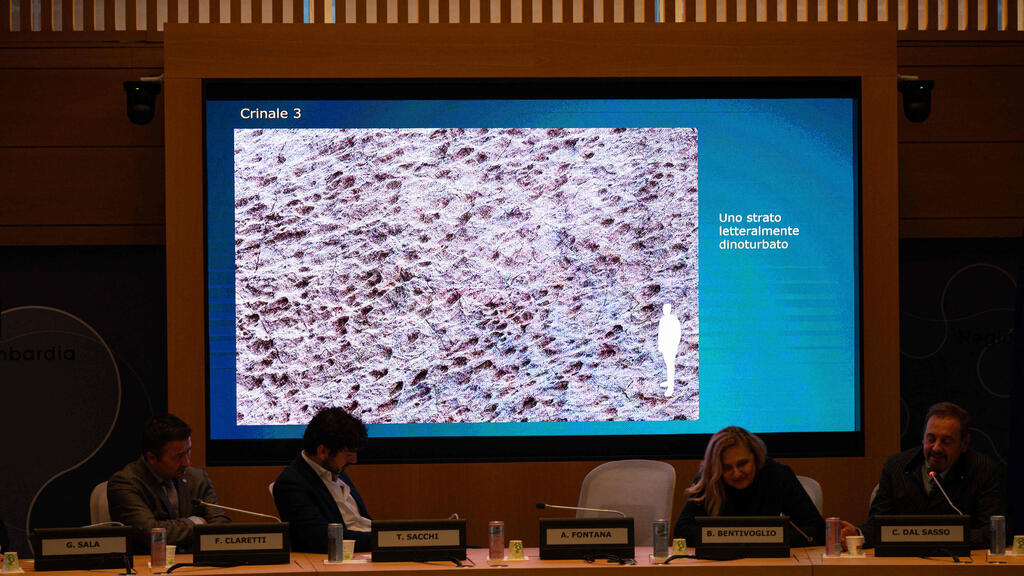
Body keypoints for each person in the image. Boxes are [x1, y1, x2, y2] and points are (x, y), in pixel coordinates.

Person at [842, 402, 1004, 549]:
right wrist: (857, 534)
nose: (936, 448)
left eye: (946, 442)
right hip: (904, 564)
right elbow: (878, 525)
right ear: (923, 438)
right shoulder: (896, 467)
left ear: (964, 443)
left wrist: (936, 538)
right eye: (931, 439)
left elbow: (992, 531)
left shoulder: (982, 470)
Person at [674, 426, 824, 546]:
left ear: (756, 456)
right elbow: (682, 532)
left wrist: (758, 539)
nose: (737, 473)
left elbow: (817, 530)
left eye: (742, 464)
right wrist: (748, 538)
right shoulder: (710, 479)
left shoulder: (778, 474)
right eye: (727, 468)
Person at [107, 414, 229, 550]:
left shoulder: (197, 478)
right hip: (147, 566)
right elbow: (151, 535)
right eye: (178, 457)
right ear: (152, 457)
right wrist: (196, 522)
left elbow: (220, 526)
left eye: (188, 452)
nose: (187, 462)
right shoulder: (125, 484)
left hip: (195, 566)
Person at [273, 407, 372, 552]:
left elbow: (360, 521)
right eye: (348, 454)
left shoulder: (337, 471)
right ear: (322, 451)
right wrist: (382, 539)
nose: (354, 460)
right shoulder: (291, 484)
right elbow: (321, 539)